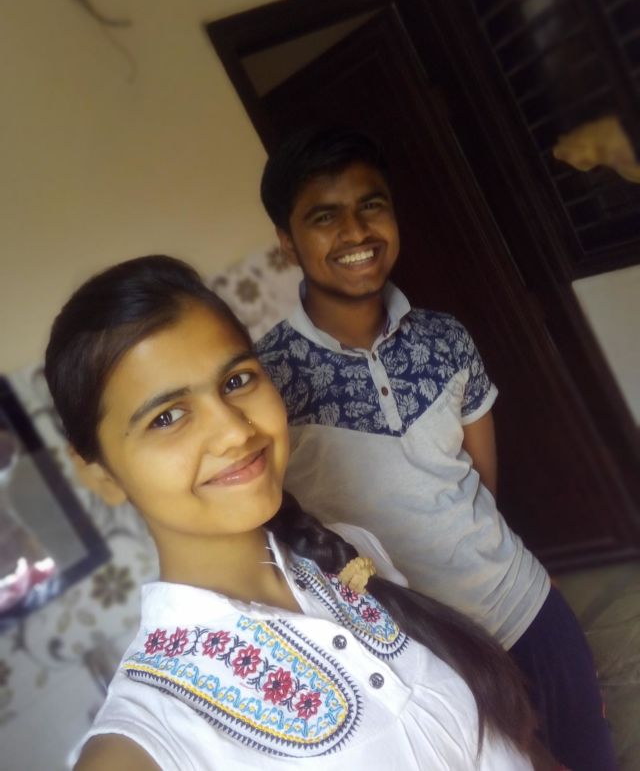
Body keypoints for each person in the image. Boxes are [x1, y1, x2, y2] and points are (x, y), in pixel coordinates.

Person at [44, 255, 544, 771]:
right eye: (167, 417)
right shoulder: (146, 739)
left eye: (236, 381)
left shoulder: (349, 552)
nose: (235, 431)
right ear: (99, 474)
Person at [255, 125, 617, 771]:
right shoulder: (268, 380)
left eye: (371, 204)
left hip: (527, 607)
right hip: (428, 657)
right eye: (324, 216)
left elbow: (480, 485)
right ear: (287, 241)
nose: (356, 231)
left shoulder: (446, 339)